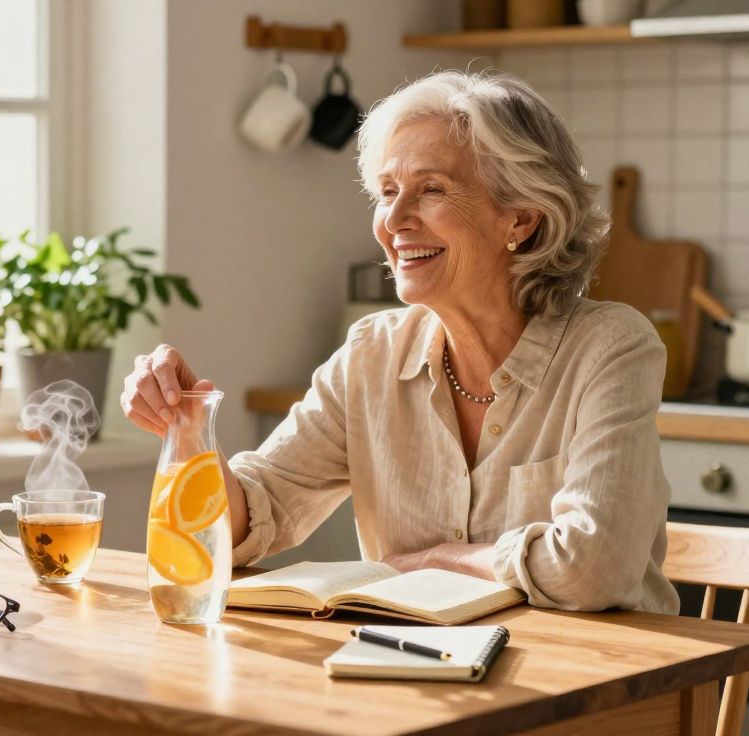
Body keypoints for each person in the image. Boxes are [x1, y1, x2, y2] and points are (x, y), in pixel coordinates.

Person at [120, 70, 678, 614]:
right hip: (423, 674)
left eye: (431, 190)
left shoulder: (610, 347)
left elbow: (594, 568)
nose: (394, 220)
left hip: (601, 686)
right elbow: (255, 512)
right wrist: (189, 427)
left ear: (521, 219)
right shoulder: (373, 354)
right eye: (387, 191)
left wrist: (444, 560)